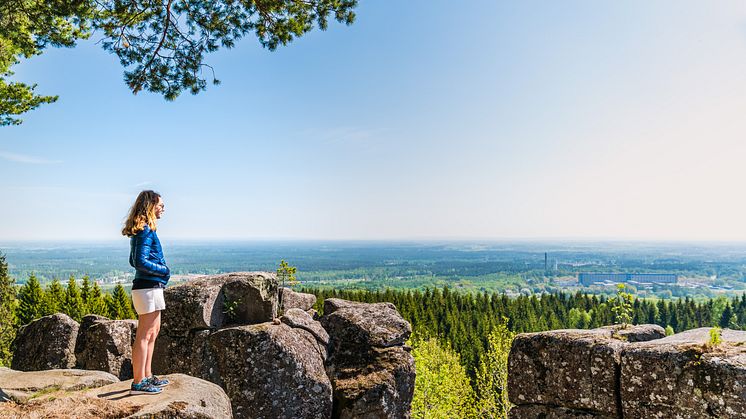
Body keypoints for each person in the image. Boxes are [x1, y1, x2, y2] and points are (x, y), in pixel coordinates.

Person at [122, 190, 171, 395]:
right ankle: (138, 382)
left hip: (151, 287)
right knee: (144, 335)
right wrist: (165, 271)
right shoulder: (145, 231)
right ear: (151, 206)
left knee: (152, 333)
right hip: (147, 287)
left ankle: (147, 376)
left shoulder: (145, 230)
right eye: (160, 205)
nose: (163, 208)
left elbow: (133, 261)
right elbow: (140, 262)